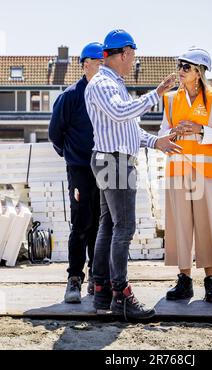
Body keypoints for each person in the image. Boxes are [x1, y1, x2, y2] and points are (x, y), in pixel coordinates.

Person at [85, 29, 181, 320]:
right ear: (124, 53)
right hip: (114, 162)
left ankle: (101, 289)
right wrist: (157, 93)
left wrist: (156, 142)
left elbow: (127, 127)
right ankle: (120, 296)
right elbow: (120, 113)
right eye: (133, 57)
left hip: (111, 159)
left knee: (108, 225)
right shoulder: (103, 83)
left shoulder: (113, 83)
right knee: (123, 228)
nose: (134, 62)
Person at [159, 47, 212, 303]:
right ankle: (184, 280)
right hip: (178, 171)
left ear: (199, 73)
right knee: (180, 226)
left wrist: (201, 130)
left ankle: (211, 281)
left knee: (207, 226)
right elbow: (162, 132)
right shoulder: (169, 99)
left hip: (206, 173)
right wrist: (171, 134)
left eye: (186, 67)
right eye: (180, 65)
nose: (181, 71)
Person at [48, 42, 104, 303]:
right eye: (98, 62)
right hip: (80, 169)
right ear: (85, 64)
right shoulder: (70, 96)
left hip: (104, 167)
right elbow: (54, 134)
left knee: (100, 224)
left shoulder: (107, 95)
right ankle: (74, 279)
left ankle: (96, 276)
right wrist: (71, 156)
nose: (103, 66)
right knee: (81, 223)